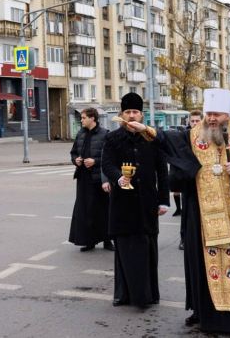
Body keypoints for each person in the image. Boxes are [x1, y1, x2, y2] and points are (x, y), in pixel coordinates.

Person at [127, 89, 230, 333]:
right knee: (202, 266)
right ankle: (205, 314)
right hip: (200, 216)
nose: (211, 118)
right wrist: (146, 129)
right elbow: (166, 139)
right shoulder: (194, 136)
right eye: (208, 113)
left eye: (216, 114)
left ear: (227, 114)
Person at [101, 92, 170, 309]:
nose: (131, 116)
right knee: (123, 249)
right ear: (122, 114)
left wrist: (164, 201)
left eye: (135, 112)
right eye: (128, 112)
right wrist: (117, 177)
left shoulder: (151, 137)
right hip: (122, 202)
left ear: (142, 115)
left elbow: (162, 171)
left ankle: (148, 295)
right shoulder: (112, 138)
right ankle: (122, 294)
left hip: (147, 202)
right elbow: (107, 164)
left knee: (147, 249)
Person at [69, 108, 114, 252]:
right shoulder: (81, 133)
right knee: (85, 210)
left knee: (103, 209)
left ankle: (108, 241)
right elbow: (73, 152)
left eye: (83, 118)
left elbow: (110, 157)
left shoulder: (105, 134)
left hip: (99, 178)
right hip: (83, 177)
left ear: (92, 118)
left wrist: (95, 161)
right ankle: (89, 241)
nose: (81, 120)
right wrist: (76, 160)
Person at [174, 109, 204, 250]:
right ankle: (184, 238)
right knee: (186, 212)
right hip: (188, 180)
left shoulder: (206, 135)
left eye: (197, 121)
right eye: (192, 121)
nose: (195, 123)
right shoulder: (184, 136)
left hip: (203, 180)